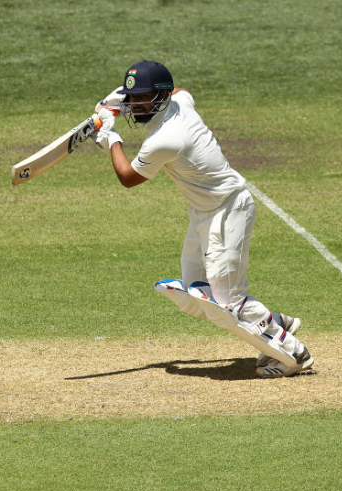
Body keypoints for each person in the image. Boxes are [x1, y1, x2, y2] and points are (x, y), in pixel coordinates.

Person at [93, 60, 313, 378]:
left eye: (141, 98)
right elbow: (183, 90)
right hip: (203, 212)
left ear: (160, 97)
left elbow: (128, 178)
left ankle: (293, 355)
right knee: (194, 293)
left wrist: (111, 138)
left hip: (227, 212)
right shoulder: (179, 101)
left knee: (225, 303)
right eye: (132, 98)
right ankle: (272, 321)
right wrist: (117, 98)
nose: (134, 105)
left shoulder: (165, 139)